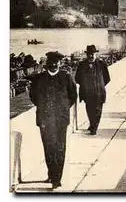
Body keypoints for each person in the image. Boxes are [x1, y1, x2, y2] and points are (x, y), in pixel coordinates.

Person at [28, 51, 77, 189]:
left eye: (56, 62)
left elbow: (73, 95)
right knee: (48, 148)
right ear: (47, 64)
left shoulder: (66, 78)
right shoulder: (39, 79)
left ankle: (57, 178)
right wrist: (44, 109)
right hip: (45, 120)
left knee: (60, 148)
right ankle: (52, 173)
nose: (53, 65)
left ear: (60, 64)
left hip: (61, 120)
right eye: (51, 62)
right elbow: (33, 96)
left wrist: (62, 109)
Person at [75, 45, 111, 135]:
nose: (91, 56)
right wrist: (85, 85)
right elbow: (77, 78)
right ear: (87, 55)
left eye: (93, 54)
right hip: (87, 93)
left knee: (98, 110)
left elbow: (107, 78)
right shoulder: (82, 65)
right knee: (89, 110)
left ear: (96, 54)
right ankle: (92, 124)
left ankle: (94, 128)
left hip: (99, 92)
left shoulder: (102, 64)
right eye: (89, 54)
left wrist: (100, 85)